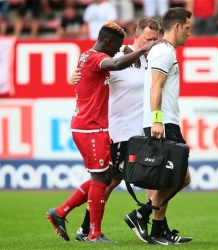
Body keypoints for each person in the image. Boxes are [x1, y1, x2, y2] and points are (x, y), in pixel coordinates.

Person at [70, 16, 192, 244]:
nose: (153, 43)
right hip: (120, 129)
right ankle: (85, 228)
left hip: (142, 129)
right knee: (110, 180)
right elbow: (90, 75)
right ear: (136, 37)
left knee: (152, 176)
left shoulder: (153, 57)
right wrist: (74, 77)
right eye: (148, 39)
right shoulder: (117, 56)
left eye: (156, 39)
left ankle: (155, 227)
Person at [45, 21, 159, 243]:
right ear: (108, 41)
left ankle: (61, 213)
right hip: (95, 127)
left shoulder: (90, 56)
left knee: (108, 177)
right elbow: (114, 64)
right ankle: (92, 232)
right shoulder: (103, 58)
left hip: (100, 127)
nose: (118, 48)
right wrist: (142, 50)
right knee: (103, 179)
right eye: (116, 45)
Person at [124, 7, 193, 245]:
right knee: (180, 178)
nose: (188, 33)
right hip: (163, 123)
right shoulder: (164, 51)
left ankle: (159, 230)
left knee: (164, 178)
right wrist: (156, 119)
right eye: (186, 28)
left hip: (165, 122)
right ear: (176, 27)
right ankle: (140, 215)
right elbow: (156, 86)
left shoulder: (164, 50)